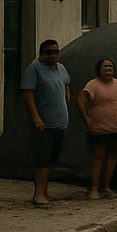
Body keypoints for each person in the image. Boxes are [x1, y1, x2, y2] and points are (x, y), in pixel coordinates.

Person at [19, 39, 71, 207]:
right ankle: (38, 194)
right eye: (49, 52)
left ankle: (45, 191)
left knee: (51, 160)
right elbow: (28, 95)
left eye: (56, 52)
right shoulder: (34, 69)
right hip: (44, 122)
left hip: (60, 122)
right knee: (42, 159)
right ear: (42, 53)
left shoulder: (61, 68)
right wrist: (36, 118)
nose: (53, 55)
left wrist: (66, 99)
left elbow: (66, 85)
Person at [77, 58, 117, 200]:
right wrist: (87, 119)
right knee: (98, 157)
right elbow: (80, 101)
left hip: (116, 128)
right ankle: (94, 188)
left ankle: (106, 186)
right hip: (99, 129)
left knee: (112, 157)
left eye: (110, 67)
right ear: (99, 70)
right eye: (105, 67)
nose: (108, 69)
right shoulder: (93, 85)